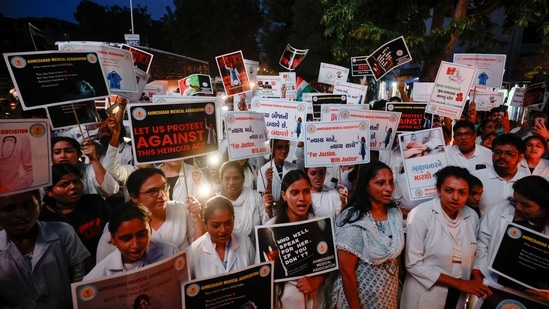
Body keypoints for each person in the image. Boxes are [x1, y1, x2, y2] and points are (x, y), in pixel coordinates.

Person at [400, 166, 491, 308]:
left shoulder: (471, 216)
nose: (455, 197)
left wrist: (476, 277)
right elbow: (413, 263)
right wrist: (459, 283)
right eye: (449, 191)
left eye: (462, 192)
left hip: (458, 291)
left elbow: (475, 250)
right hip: (426, 291)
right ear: (438, 190)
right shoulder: (421, 214)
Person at [329, 161, 404, 309]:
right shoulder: (353, 220)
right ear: (366, 186)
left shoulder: (394, 214)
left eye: (390, 182)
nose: (388, 188)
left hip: (386, 296)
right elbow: (346, 272)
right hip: (359, 299)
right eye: (380, 183)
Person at [0, 190, 90, 308]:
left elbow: (80, 275)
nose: (20, 214)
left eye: (27, 205)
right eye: (9, 209)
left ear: (39, 204)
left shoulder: (63, 232)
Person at [95, 168, 205, 262]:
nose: (162, 195)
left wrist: (197, 218)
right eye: (153, 191)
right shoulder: (119, 225)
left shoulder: (181, 210)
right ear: (134, 197)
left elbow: (198, 249)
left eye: (164, 188)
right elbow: (103, 266)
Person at [472, 176, 549, 307]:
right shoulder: (500, 209)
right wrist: (478, 272)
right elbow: (482, 242)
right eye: (515, 201)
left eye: (526, 205)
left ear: (544, 207)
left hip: (537, 297)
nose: (518, 208)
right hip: (495, 287)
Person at [266, 169, 328, 309]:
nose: (302, 198)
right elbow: (263, 276)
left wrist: (315, 281)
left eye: (306, 191)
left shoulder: (321, 225)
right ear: (284, 195)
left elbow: (328, 264)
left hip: (317, 302)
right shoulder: (269, 230)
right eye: (295, 193)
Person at [39, 163, 111, 268]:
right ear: (49, 191)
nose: (73, 187)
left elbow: (114, 226)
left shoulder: (95, 201)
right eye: (64, 184)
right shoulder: (44, 219)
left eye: (76, 181)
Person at [84, 202, 178, 280]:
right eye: (126, 238)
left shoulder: (171, 253)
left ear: (150, 229)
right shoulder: (97, 277)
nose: (136, 244)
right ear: (113, 239)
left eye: (142, 235)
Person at [188, 196, 255, 279]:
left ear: (233, 220)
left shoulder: (245, 242)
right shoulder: (194, 251)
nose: (223, 230)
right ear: (205, 225)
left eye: (228, 223)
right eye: (216, 225)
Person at [473, 134, 528, 215]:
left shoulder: (526, 182)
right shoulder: (476, 178)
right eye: (498, 152)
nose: (502, 156)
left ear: (520, 157)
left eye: (509, 153)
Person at [51, 136, 119, 198]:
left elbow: (110, 190)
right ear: (51, 157)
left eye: (68, 151)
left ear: (79, 154)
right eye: (57, 152)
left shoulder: (89, 170)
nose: (63, 156)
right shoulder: (47, 176)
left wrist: (94, 160)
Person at [218, 161, 267, 240]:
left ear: (243, 179)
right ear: (221, 180)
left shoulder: (254, 197)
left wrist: (268, 209)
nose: (231, 182)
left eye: (236, 178)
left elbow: (266, 225)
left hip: (254, 249)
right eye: (227, 179)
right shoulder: (216, 203)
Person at [258, 139, 298, 218]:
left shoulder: (294, 169)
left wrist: (276, 203)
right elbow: (265, 199)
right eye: (279, 147)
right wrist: (269, 181)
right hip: (271, 214)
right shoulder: (263, 170)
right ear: (272, 148)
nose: (284, 151)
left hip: (290, 213)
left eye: (286, 147)